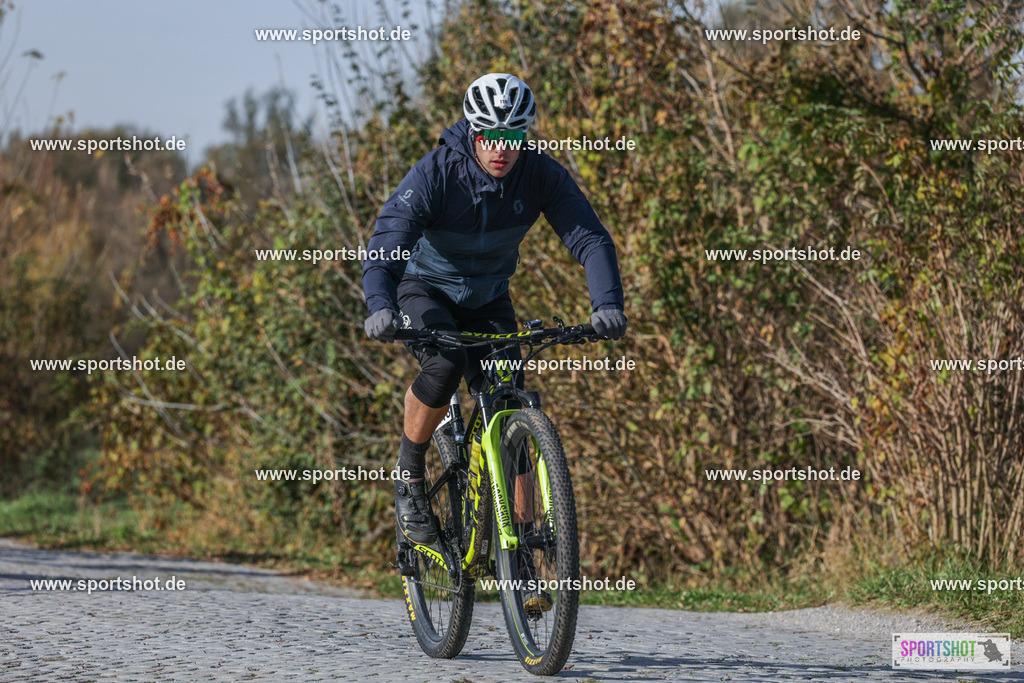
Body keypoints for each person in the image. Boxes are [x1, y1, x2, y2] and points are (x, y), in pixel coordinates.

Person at [361, 73, 626, 608]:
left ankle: (522, 563)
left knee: (510, 407)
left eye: (513, 136)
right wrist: (380, 306)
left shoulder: (540, 174)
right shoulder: (437, 172)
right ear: (472, 131)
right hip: (424, 290)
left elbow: (588, 237)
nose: (501, 148)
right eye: (490, 136)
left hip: (488, 299)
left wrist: (607, 303)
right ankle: (409, 478)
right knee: (445, 363)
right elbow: (387, 244)